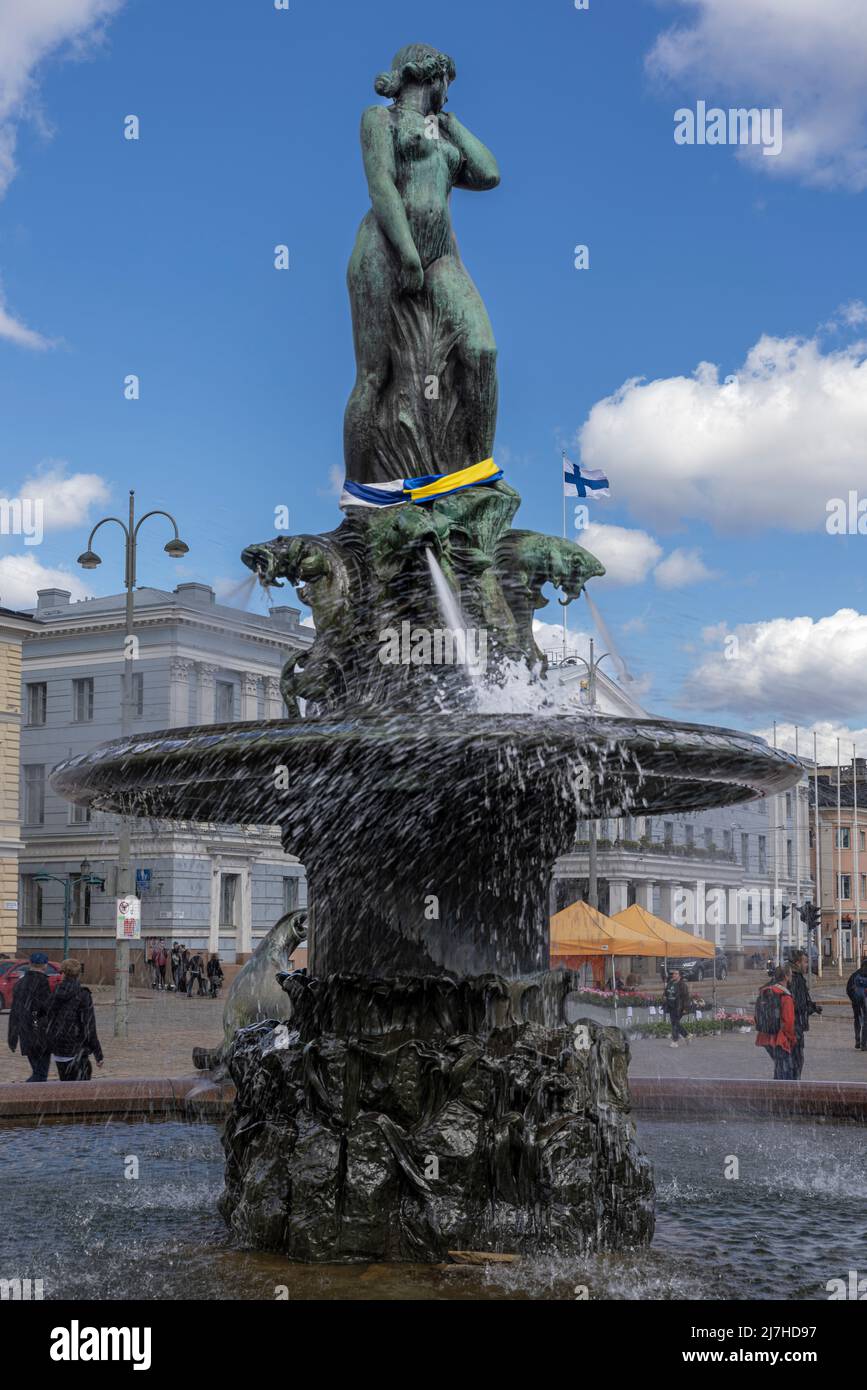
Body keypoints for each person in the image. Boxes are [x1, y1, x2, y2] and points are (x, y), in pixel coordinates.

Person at [44, 959, 104, 1081]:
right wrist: (98, 1054)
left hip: (59, 1051)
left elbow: (47, 1017)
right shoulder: (83, 995)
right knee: (82, 1093)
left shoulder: (55, 992)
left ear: (63, 973)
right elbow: (89, 1026)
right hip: (77, 1050)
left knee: (66, 1089)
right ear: (78, 974)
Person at [7, 951, 52, 1082]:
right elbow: (44, 1010)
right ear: (45, 965)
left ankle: (32, 1098)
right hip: (40, 1035)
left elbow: (14, 1012)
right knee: (40, 1074)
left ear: (30, 963)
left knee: (38, 1072)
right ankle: (20, 1094)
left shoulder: (20, 984)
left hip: (26, 1034)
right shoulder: (43, 982)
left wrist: (12, 1037)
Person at [755, 963, 797, 1080]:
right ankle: (782, 1095)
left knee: (779, 1068)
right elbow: (788, 1023)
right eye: (791, 975)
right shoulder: (785, 996)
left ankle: (777, 1093)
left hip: (765, 1036)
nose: (792, 978)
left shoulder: (766, 992)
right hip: (779, 1039)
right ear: (786, 977)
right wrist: (792, 1040)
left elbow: (757, 1016)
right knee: (785, 1073)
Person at [788, 949, 822, 1078]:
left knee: (793, 1061)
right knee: (795, 1061)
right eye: (805, 962)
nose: (807, 965)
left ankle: (789, 1087)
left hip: (794, 1025)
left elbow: (802, 1000)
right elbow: (796, 1004)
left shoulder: (796, 977)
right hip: (793, 1026)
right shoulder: (794, 978)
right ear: (797, 963)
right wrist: (809, 1009)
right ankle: (792, 1089)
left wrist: (812, 1007)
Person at [664, 968, 691, 1047]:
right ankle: (686, 1035)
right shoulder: (670, 983)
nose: (674, 975)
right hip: (671, 1006)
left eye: (676, 974)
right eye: (673, 974)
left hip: (679, 1007)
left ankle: (675, 1041)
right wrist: (665, 996)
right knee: (674, 1023)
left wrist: (686, 1008)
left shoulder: (682, 985)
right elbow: (666, 992)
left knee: (675, 1023)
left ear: (680, 976)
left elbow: (686, 997)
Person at [847, 957, 867, 1051]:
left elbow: (848, 989)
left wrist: (853, 999)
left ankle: (857, 1040)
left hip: (856, 1002)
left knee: (857, 1020)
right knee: (865, 1021)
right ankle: (864, 1043)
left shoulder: (855, 974)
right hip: (865, 1002)